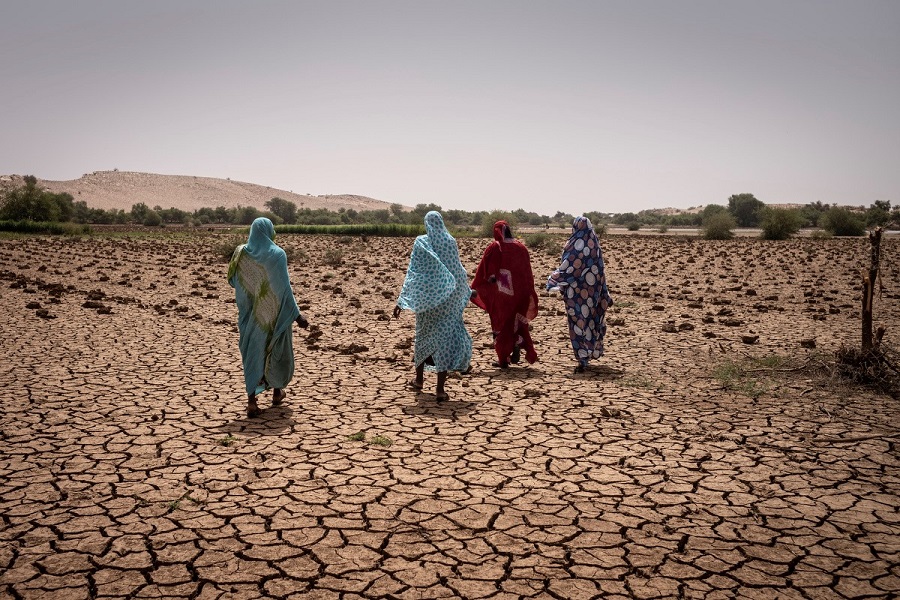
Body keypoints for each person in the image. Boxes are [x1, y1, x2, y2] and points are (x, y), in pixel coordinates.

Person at [228, 217, 308, 417]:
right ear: (270, 231)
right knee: (276, 352)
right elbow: (284, 289)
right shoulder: (277, 254)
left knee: (253, 355)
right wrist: (297, 316)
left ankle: (252, 402)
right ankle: (276, 391)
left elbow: (232, 280)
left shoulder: (241, 253)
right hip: (274, 317)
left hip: (249, 317)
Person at [393, 211, 473, 401]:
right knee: (444, 341)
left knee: (423, 337)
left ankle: (419, 380)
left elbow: (414, 273)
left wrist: (402, 300)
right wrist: (465, 292)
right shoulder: (450, 241)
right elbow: (457, 271)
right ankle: (439, 389)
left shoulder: (421, 241)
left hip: (428, 300)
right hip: (449, 301)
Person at [546, 216, 613, 373]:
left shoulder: (574, 244)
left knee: (577, 323)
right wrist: (603, 290)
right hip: (593, 292)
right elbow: (600, 269)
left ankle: (582, 358)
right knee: (590, 321)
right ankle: (589, 351)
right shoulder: (594, 244)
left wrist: (553, 279)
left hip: (576, 295)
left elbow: (569, 268)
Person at [470, 220, 539, 368]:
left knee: (501, 324)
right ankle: (516, 344)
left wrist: (484, 286)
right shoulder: (521, 247)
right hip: (521, 294)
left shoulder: (496, 247)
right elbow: (527, 273)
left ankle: (504, 358)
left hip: (503, 296)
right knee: (517, 322)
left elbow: (489, 273)